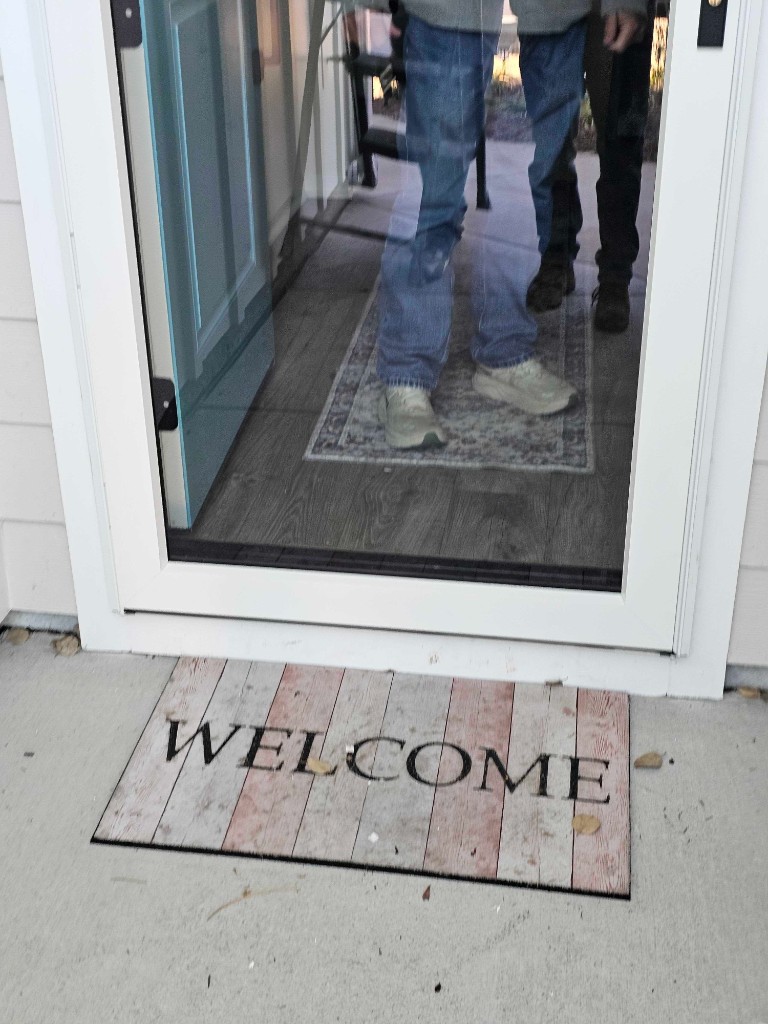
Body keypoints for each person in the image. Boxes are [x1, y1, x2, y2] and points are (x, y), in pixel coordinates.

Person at [376, 0, 577, 451]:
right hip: (448, 8)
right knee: (434, 197)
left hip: (559, 11)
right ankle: (406, 373)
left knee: (529, 187)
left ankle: (504, 353)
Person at [519, 0, 654, 332]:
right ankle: (555, 256)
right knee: (551, 144)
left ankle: (615, 276)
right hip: (545, 10)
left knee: (620, 142)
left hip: (613, 7)